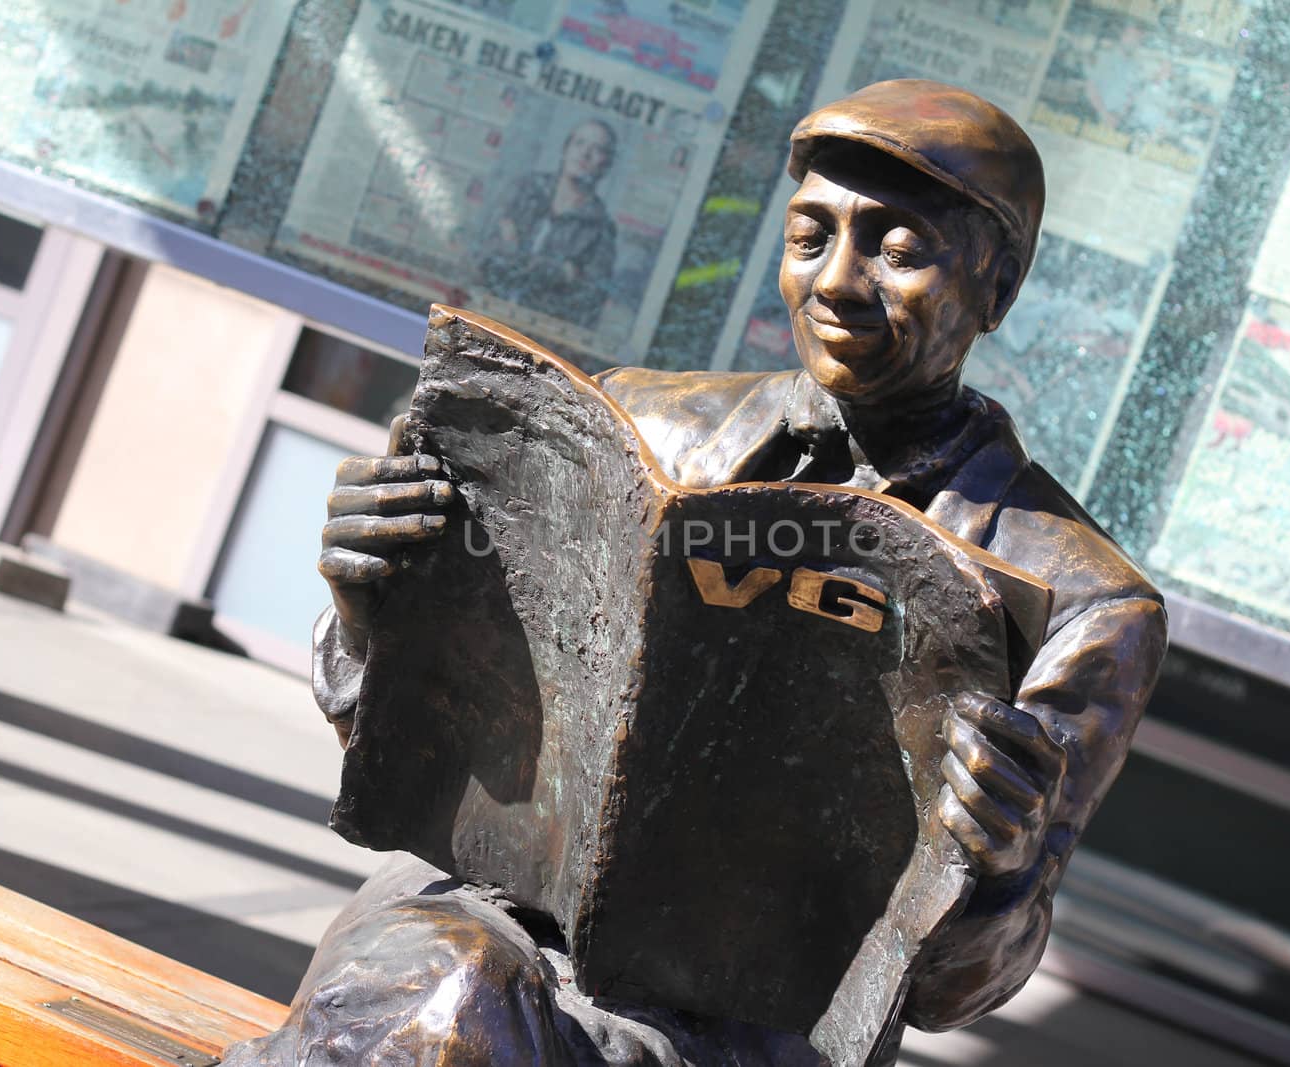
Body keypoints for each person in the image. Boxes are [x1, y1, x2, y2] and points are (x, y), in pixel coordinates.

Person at [239, 80, 1168, 1066]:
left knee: (459, 1029)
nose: (838, 281)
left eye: (897, 251)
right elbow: (419, 742)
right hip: (491, 917)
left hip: (743, 1022)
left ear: (999, 285)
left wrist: (997, 865)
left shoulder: (1076, 596)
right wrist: (376, 607)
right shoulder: (640, 426)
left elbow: (954, 991)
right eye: (810, 237)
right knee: (449, 994)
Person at [477, 118, 619, 330]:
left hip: (538, 334)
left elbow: (588, 301)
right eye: (579, 144)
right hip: (482, 313)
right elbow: (481, 252)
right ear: (565, 149)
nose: (585, 154)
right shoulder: (524, 190)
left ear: (606, 165)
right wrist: (563, 272)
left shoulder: (601, 228)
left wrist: (516, 252)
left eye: (597, 149)